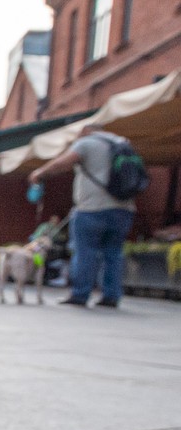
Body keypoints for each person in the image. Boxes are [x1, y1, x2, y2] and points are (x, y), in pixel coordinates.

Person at [29, 126, 137, 307]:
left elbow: (62, 163)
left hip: (91, 208)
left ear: (84, 132)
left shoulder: (87, 143)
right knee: (114, 253)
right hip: (124, 209)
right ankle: (111, 296)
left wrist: (39, 173)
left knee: (85, 251)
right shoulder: (124, 144)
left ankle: (80, 294)